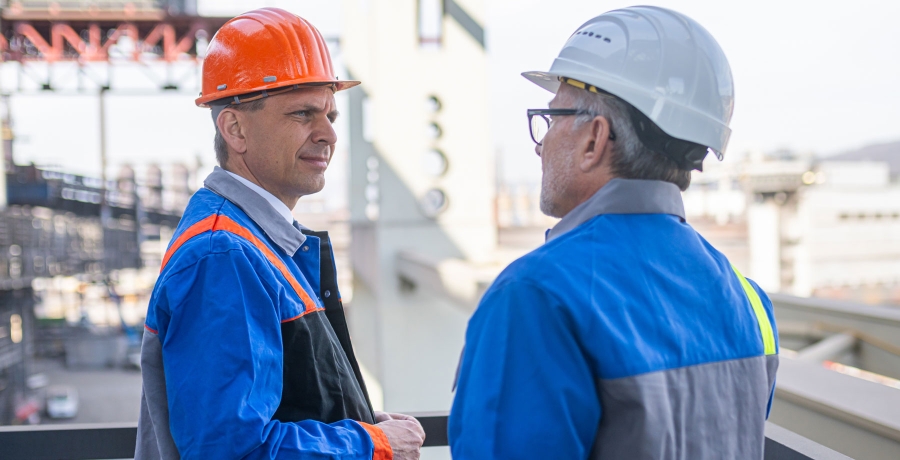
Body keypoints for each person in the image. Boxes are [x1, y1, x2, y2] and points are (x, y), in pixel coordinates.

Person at [449, 6, 778, 459]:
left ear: (594, 140)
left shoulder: (536, 296)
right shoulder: (749, 300)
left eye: (551, 119)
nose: (542, 144)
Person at [135, 8, 425, 460]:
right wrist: (371, 445)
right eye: (303, 114)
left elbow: (283, 404)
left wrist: (353, 420)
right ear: (234, 128)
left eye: (329, 113)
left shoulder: (262, 245)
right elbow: (232, 451)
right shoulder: (223, 255)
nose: (328, 133)